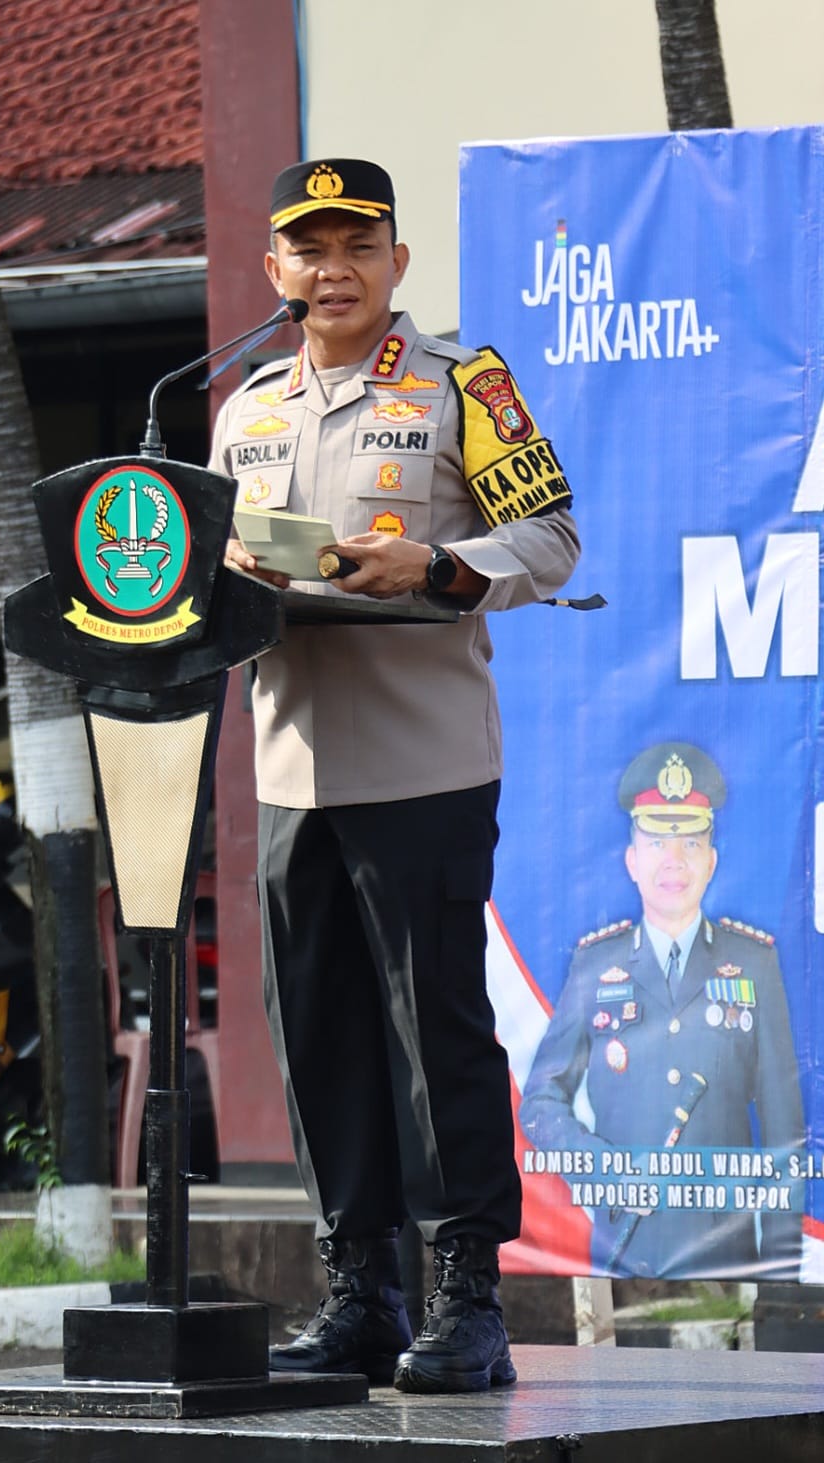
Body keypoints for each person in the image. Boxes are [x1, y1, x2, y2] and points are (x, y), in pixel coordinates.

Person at [210, 158, 580, 1392]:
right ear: (276, 271)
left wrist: (432, 563)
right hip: (289, 763)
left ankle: (467, 1291)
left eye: (357, 245)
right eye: (308, 250)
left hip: (422, 759)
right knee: (317, 1035)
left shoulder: (460, 386)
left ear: (396, 263)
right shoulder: (243, 409)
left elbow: (549, 538)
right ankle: (359, 1288)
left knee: (438, 1031)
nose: (333, 270)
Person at [519, 741, 806, 1280]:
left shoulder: (754, 965)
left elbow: (784, 1130)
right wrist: (607, 1172)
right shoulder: (593, 964)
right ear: (632, 860)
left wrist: (781, 1270)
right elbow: (539, 1102)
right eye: (656, 842)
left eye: (691, 843)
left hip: (729, 1253)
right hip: (624, 1245)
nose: (673, 861)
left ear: (711, 861)